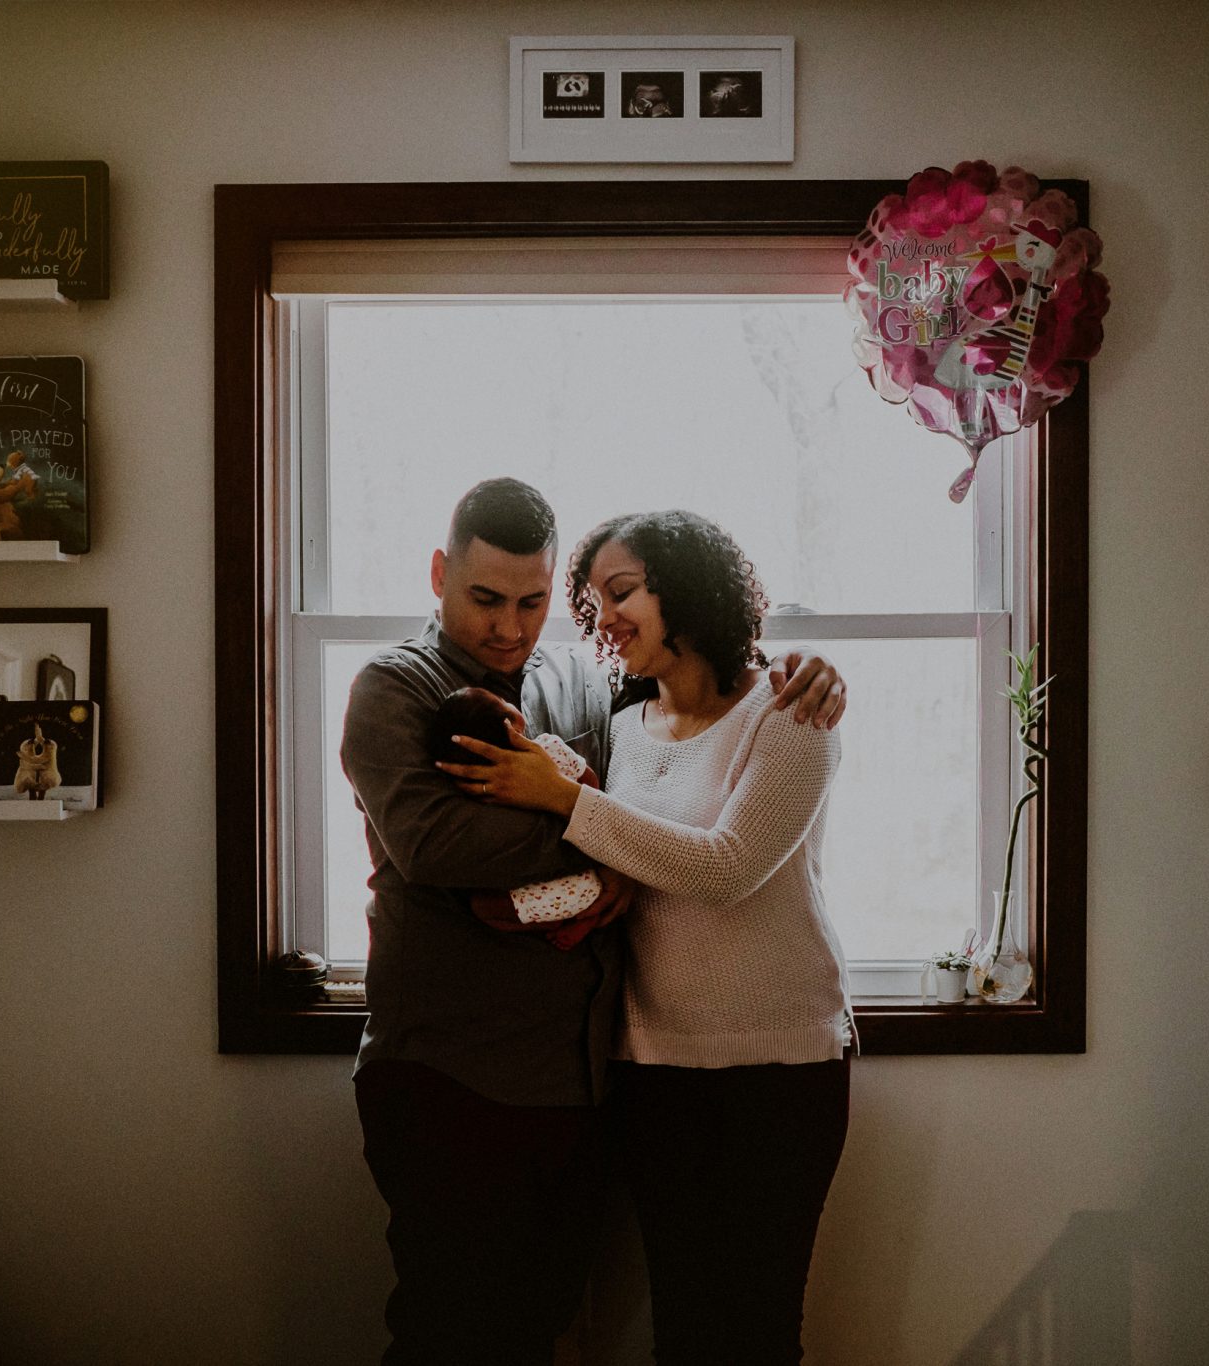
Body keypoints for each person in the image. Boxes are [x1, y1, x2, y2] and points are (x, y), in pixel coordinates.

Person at [338, 479, 847, 1366]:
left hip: (605, 1082)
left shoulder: (583, 686)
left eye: (536, 602)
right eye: (485, 599)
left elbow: (704, 809)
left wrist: (813, 664)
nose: (512, 626)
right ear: (438, 575)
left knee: (579, 1322)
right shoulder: (396, 686)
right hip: (456, 1072)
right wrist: (595, 835)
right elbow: (438, 844)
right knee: (452, 1326)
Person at [430, 686, 609, 951]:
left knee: (483, 908)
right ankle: (583, 918)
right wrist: (587, 807)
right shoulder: (549, 747)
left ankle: (560, 923)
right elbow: (589, 777)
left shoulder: (482, 789)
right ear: (514, 722)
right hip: (585, 887)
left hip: (553, 892)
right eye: (503, 700)